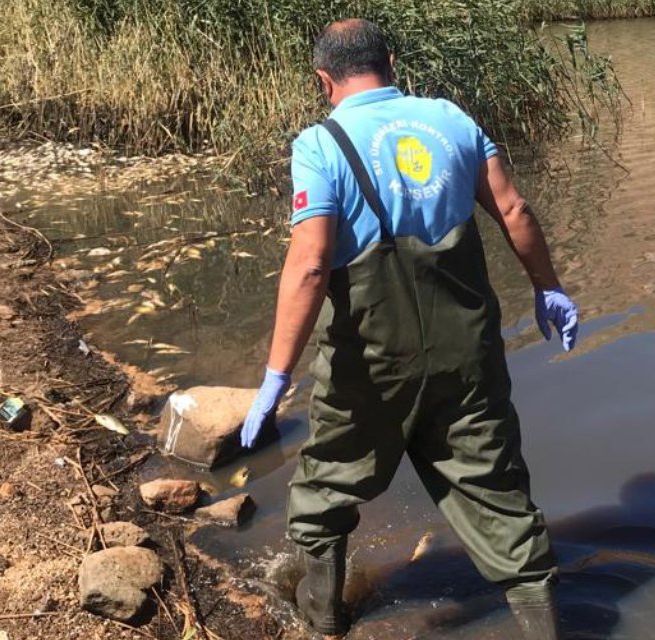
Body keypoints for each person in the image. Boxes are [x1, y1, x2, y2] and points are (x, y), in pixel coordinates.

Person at [240, 18, 579, 639]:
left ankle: (324, 620)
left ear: (324, 81)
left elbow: (311, 264)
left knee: (326, 488)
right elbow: (513, 208)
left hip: (371, 361)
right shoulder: (451, 119)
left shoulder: (320, 145)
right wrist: (547, 287)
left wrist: (276, 376)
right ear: (391, 63)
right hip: (467, 352)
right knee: (498, 493)